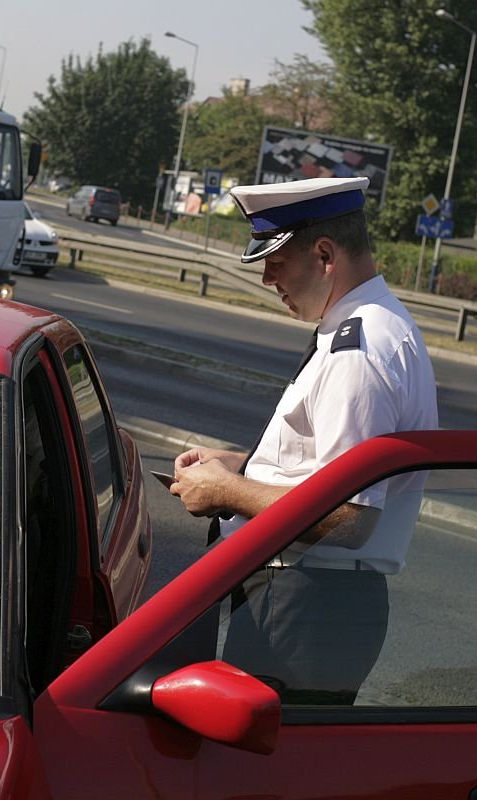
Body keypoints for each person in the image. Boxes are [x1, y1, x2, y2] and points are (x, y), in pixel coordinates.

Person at [168, 175, 438, 704]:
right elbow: (326, 468)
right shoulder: (369, 326)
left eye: (276, 263)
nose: (269, 279)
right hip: (314, 601)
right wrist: (243, 466)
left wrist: (226, 492)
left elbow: (349, 517)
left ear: (324, 254)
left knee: (264, 777)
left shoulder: (358, 351)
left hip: (310, 602)